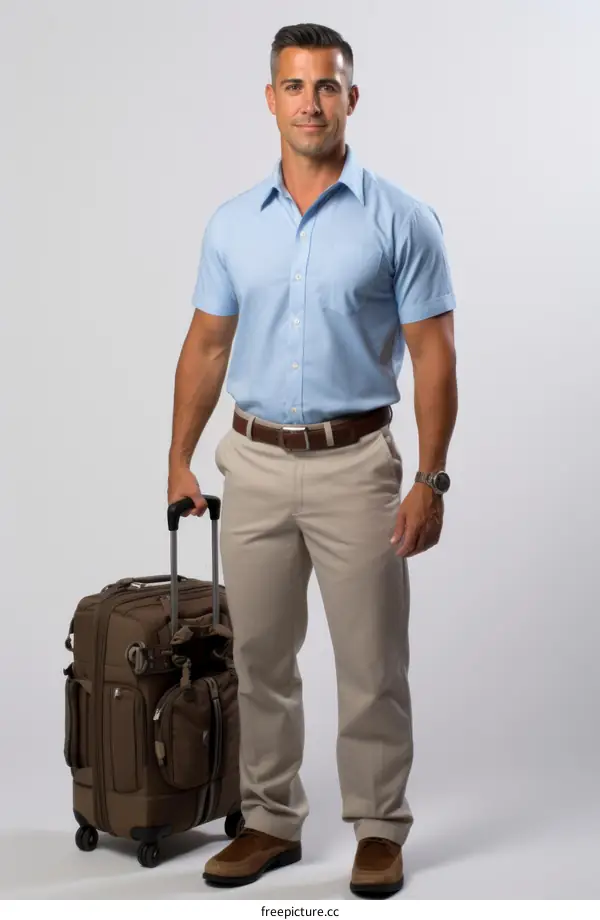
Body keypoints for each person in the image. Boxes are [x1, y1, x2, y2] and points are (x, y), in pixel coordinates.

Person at [167, 22, 458, 898]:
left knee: (372, 660)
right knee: (258, 657)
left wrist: (431, 478)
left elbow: (435, 355)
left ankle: (378, 828)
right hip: (250, 466)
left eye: (326, 86)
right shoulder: (231, 225)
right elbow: (207, 348)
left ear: (351, 99)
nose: (310, 103)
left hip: (356, 464)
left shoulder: (400, 220)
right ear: (271, 99)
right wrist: (178, 459)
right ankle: (269, 822)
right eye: (294, 86)